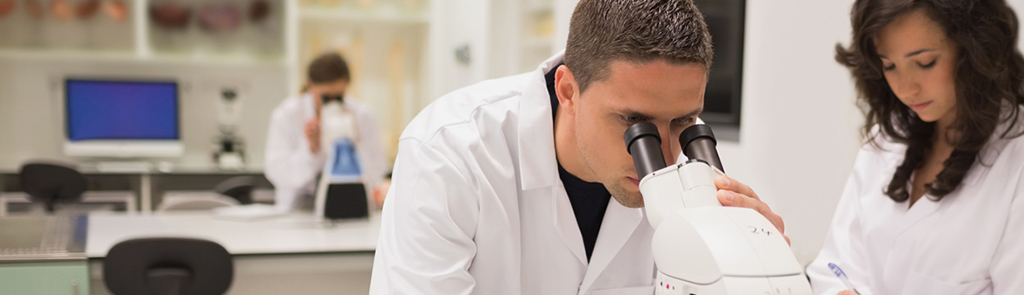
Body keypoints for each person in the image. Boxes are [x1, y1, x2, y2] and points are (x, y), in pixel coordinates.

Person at [369, 0, 786, 294]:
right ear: (568, 90)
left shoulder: (690, 175)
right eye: (633, 123)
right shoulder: (449, 153)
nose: (663, 156)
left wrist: (759, 268)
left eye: (683, 122)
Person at [805, 1, 1024, 295]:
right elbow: (833, 269)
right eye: (889, 65)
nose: (905, 88)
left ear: (973, 49)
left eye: (925, 62)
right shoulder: (886, 142)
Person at [264, 52, 387, 212]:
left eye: (339, 97)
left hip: (351, 208)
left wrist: (354, 145)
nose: (333, 104)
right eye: (326, 97)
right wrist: (311, 150)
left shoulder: (362, 115)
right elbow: (278, 173)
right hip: (297, 210)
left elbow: (377, 172)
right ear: (309, 86)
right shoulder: (287, 115)